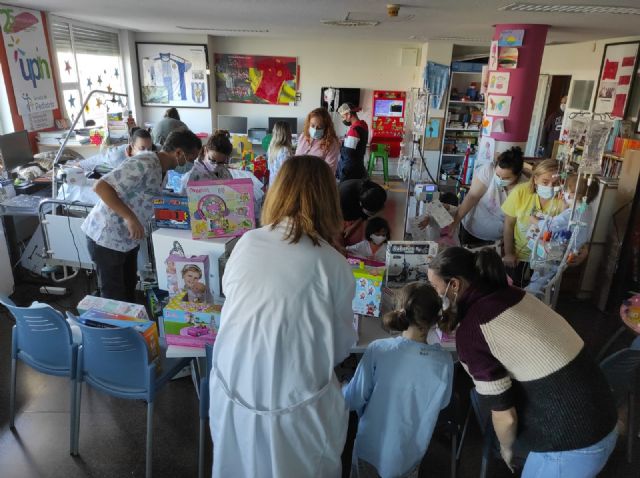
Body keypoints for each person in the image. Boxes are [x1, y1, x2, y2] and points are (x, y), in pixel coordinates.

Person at [208, 155, 357, 477]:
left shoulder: (247, 243)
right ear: (328, 200)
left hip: (233, 383)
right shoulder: (332, 264)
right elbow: (341, 345)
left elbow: (235, 301)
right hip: (296, 401)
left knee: (238, 466)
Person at [427, 247, 617, 478]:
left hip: (574, 440)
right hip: (599, 414)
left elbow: (505, 417)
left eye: (437, 289)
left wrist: (507, 448)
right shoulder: (513, 293)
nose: (438, 295)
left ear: (454, 285)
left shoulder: (473, 330)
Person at [343, 282, 453, 478]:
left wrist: (340, 386)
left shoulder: (379, 349)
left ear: (401, 312)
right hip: (408, 454)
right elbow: (442, 403)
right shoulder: (444, 362)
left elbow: (353, 399)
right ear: (436, 318)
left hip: (369, 448)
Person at [82, 129, 201, 302]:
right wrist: (130, 218)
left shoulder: (163, 170)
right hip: (106, 236)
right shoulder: (144, 162)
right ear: (178, 153)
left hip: (128, 239)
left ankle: (129, 327)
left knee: (129, 287)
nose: (191, 163)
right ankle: (111, 328)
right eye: (191, 158)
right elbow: (101, 187)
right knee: (113, 296)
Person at [525, 175, 599, 298]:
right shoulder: (586, 209)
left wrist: (535, 221)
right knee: (547, 278)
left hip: (559, 252)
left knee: (541, 279)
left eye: (566, 191)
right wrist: (566, 206)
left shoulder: (572, 212)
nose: (563, 193)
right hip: (570, 249)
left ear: (572, 195)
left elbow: (551, 225)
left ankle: (530, 298)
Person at [501, 158, 565, 287]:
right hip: (520, 257)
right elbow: (509, 224)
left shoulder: (563, 200)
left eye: (556, 183)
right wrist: (508, 253)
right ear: (535, 179)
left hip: (548, 260)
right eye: (545, 182)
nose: (550, 187)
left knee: (538, 298)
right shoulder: (521, 192)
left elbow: (569, 228)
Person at [447, 146, 527, 247]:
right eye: (497, 175)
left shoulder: (524, 186)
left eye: (506, 178)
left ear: (518, 175)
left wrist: (509, 242)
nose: (500, 179)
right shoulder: (488, 170)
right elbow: (472, 197)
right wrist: (455, 222)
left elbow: (515, 220)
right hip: (474, 227)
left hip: (500, 237)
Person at [178, 130, 265, 221]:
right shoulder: (192, 175)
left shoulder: (224, 172)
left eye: (221, 162)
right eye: (212, 160)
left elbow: (231, 197)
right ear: (205, 151)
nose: (216, 165)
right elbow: (182, 204)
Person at [78, 127, 155, 172]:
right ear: (132, 145)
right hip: (91, 168)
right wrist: (79, 165)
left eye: (149, 148)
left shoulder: (151, 151)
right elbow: (96, 160)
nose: (147, 152)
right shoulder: (117, 158)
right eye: (142, 148)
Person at [340, 178, 387, 245]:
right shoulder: (345, 197)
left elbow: (365, 215)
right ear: (360, 204)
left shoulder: (380, 194)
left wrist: (353, 227)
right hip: (340, 206)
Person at [295, 108, 341, 175]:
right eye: (312, 125)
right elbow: (296, 158)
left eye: (319, 127)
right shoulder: (303, 136)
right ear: (309, 124)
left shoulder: (332, 143)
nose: (315, 130)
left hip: (317, 182)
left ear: (326, 128)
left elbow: (329, 171)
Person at [337, 102, 369, 181]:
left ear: (349, 114)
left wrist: (340, 146)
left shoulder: (354, 130)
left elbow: (348, 153)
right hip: (359, 165)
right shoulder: (363, 125)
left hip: (350, 171)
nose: (343, 119)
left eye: (343, 116)